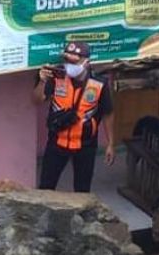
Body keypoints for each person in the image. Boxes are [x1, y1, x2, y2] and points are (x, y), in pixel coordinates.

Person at [35, 41, 115, 193]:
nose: (68, 64)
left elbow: (108, 112)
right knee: (45, 187)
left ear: (86, 62)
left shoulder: (99, 84)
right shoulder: (56, 77)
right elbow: (36, 100)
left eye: (73, 61)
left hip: (85, 145)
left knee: (82, 190)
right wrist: (41, 82)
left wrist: (111, 143)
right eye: (66, 60)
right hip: (57, 143)